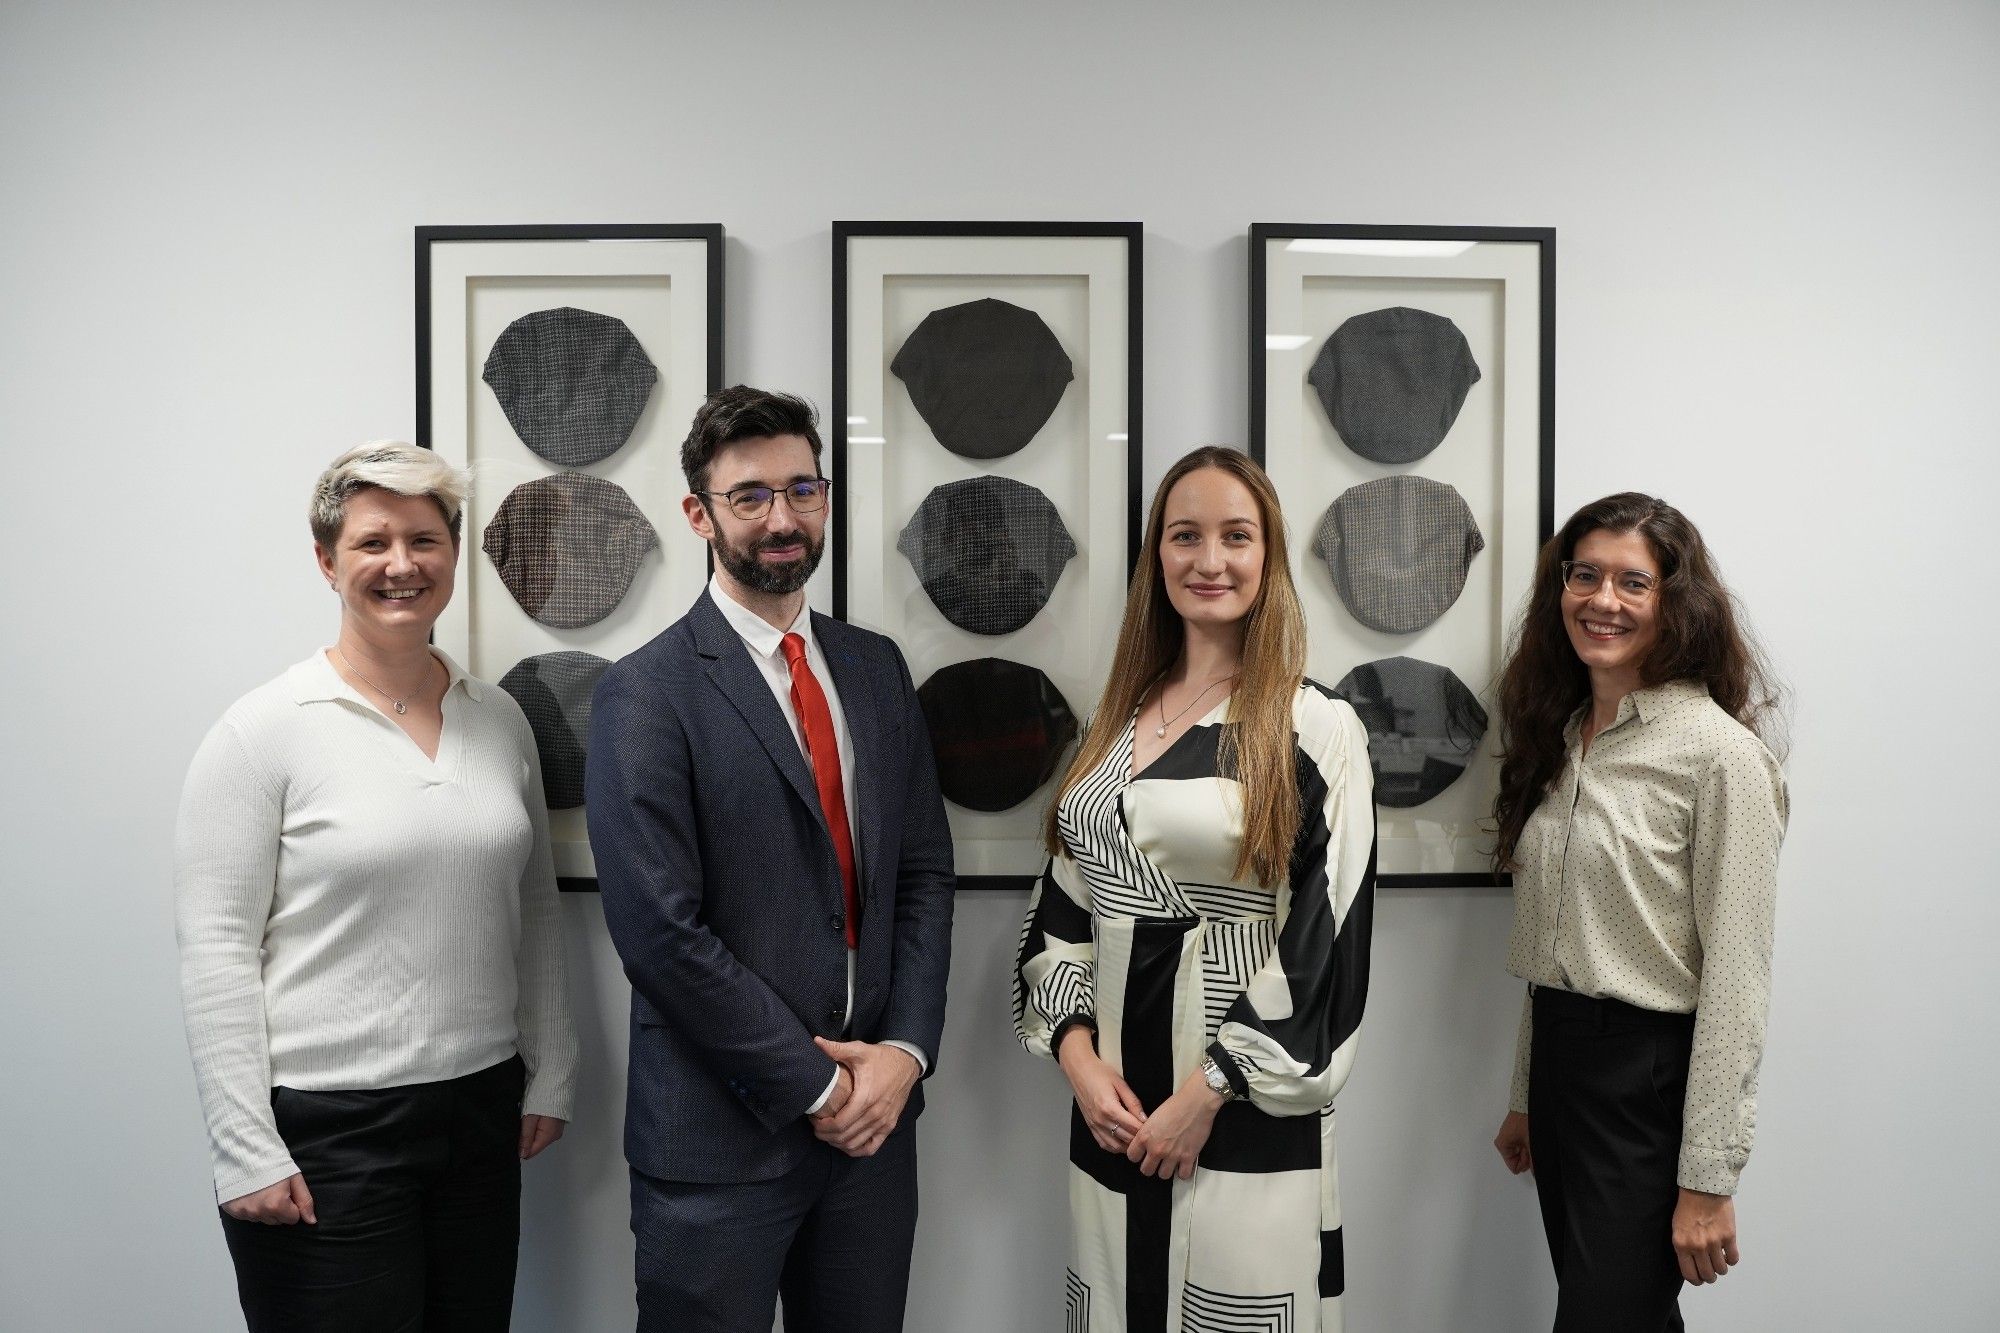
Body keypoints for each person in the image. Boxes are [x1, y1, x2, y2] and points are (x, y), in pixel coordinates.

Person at [174, 441, 578, 1331]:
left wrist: (550, 1068)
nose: (403, 564)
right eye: (372, 543)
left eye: (425, 540)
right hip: (327, 1131)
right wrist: (245, 1146)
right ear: (327, 561)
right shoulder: (262, 732)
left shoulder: (499, 717)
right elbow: (215, 947)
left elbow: (536, 908)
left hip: (480, 1111)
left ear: (453, 553)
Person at [586, 385, 955, 1333]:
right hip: (716, 1148)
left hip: (874, 1138)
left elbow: (920, 876)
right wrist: (821, 1085)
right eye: (750, 496)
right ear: (699, 513)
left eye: (803, 488)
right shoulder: (646, 692)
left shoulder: (874, 668)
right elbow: (662, 938)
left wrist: (903, 1058)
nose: (782, 517)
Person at [1014, 446, 1376, 1332]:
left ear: (1270, 555)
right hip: (1113, 1109)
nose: (1208, 560)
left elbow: (1328, 938)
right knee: (1117, 1304)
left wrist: (1209, 1088)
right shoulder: (1112, 722)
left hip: (1241, 1105)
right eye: (1185, 535)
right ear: (1156, 556)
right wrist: (1078, 1058)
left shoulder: (1309, 722)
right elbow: (1063, 904)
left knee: (1231, 1307)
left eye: (1235, 536)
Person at [1489, 492, 1788, 1331]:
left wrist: (1709, 1177)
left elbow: (1736, 981)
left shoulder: (1720, 755)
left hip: (1648, 1083)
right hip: (1562, 1068)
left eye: (1633, 582)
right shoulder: (1563, 733)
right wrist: (1526, 1092)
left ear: (1675, 602)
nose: (1603, 600)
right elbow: (1554, 938)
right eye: (1585, 575)